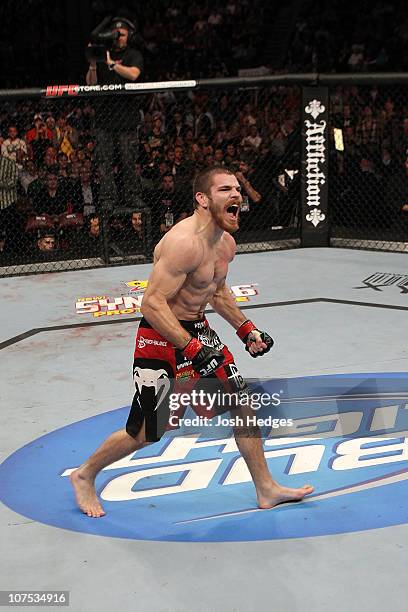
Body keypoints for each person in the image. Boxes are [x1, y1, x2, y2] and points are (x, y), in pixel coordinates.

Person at [70, 165, 314, 517]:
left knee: (241, 400)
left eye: (237, 189)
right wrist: (192, 349)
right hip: (159, 337)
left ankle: (265, 487)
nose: (236, 195)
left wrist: (247, 329)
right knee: (149, 431)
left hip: (196, 330)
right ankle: (85, 474)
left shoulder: (225, 243)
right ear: (202, 199)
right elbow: (152, 304)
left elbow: (216, 291)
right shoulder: (184, 242)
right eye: (225, 190)